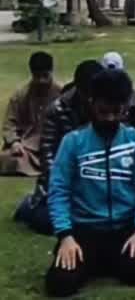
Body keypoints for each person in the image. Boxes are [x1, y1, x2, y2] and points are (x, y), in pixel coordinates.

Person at [44, 69, 135, 297]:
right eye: (103, 111)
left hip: (125, 228)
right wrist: (65, 236)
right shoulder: (73, 142)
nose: (110, 118)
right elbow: (58, 191)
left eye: (117, 111)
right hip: (84, 230)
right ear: (91, 104)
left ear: (125, 107)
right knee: (60, 283)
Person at [16, 60, 103, 235]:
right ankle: (30, 205)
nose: (90, 99)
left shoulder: (107, 107)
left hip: (98, 178)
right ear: (78, 88)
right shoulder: (57, 110)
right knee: (51, 222)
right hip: (65, 178)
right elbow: (48, 155)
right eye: (87, 93)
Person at [2, 51, 61, 176]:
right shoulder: (21, 95)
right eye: (37, 76)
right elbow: (9, 124)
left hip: (53, 145)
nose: (41, 80)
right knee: (8, 159)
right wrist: (14, 142)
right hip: (26, 148)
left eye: (45, 76)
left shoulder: (61, 94)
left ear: (51, 72)